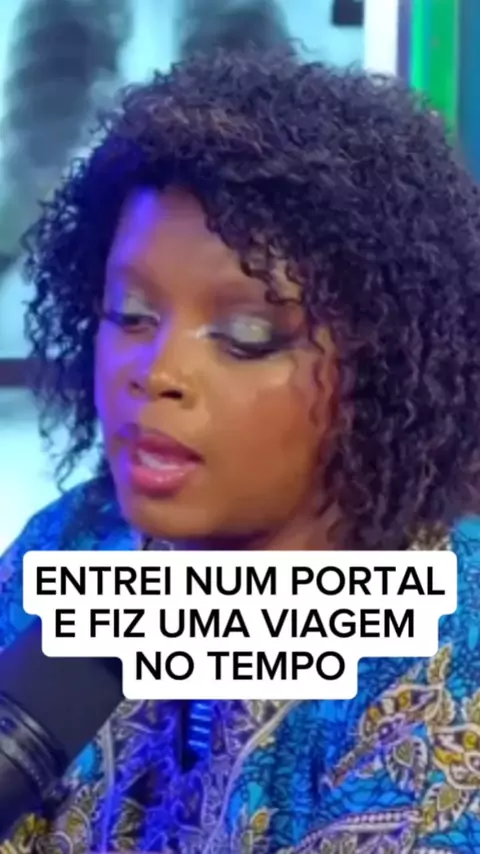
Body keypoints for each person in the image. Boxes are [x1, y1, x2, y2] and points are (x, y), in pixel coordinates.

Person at [1, 45, 480, 854]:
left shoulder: (450, 652)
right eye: (130, 316)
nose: (157, 373)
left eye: (248, 335)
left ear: (381, 366)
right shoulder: (73, 542)